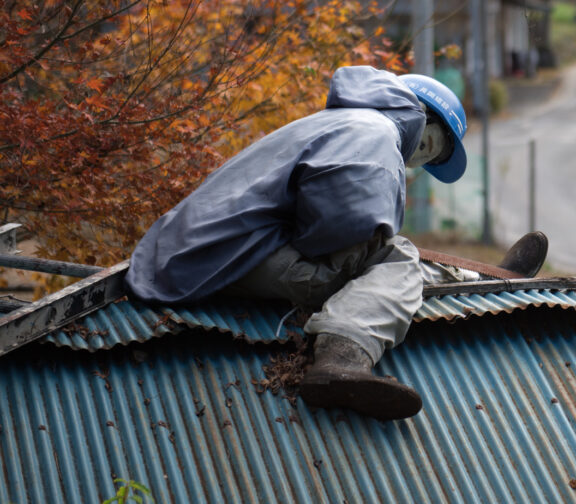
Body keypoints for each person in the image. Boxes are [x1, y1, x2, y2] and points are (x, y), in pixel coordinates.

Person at [126, 66, 548, 421]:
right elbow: (343, 227)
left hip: (199, 251)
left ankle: (479, 276)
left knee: (383, 262)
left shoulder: (340, 122)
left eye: (427, 158)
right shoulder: (375, 133)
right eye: (429, 146)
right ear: (420, 120)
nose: (417, 158)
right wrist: (371, 241)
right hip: (225, 257)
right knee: (395, 257)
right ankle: (342, 357)